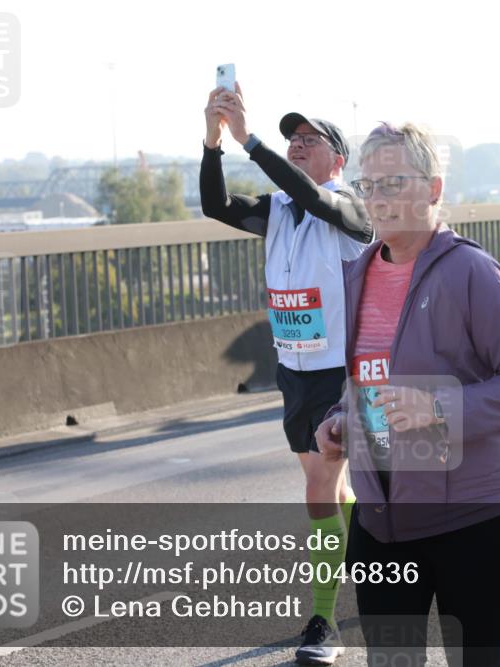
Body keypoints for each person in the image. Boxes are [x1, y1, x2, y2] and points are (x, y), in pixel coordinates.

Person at [315, 122, 500, 666]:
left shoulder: (472, 272)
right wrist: (338, 421)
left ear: (434, 189)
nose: (378, 199)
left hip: (477, 518)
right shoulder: (355, 276)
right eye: (369, 186)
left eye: (394, 183)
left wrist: (438, 407)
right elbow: (364, 380)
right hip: (381, 523)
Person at [199, 82, 373, 664]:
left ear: (337, 159)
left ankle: (324, 621)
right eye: (291, 138)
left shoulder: (351, 209)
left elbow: (313, 198)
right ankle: (374, 555)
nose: (297, 144)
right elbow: (216, 205)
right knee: (332, 488)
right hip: (293, 370)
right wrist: (214, 142)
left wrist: (250, 140)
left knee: (320, 487)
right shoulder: (277, 210)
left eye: (309, 139)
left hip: (340, 372)